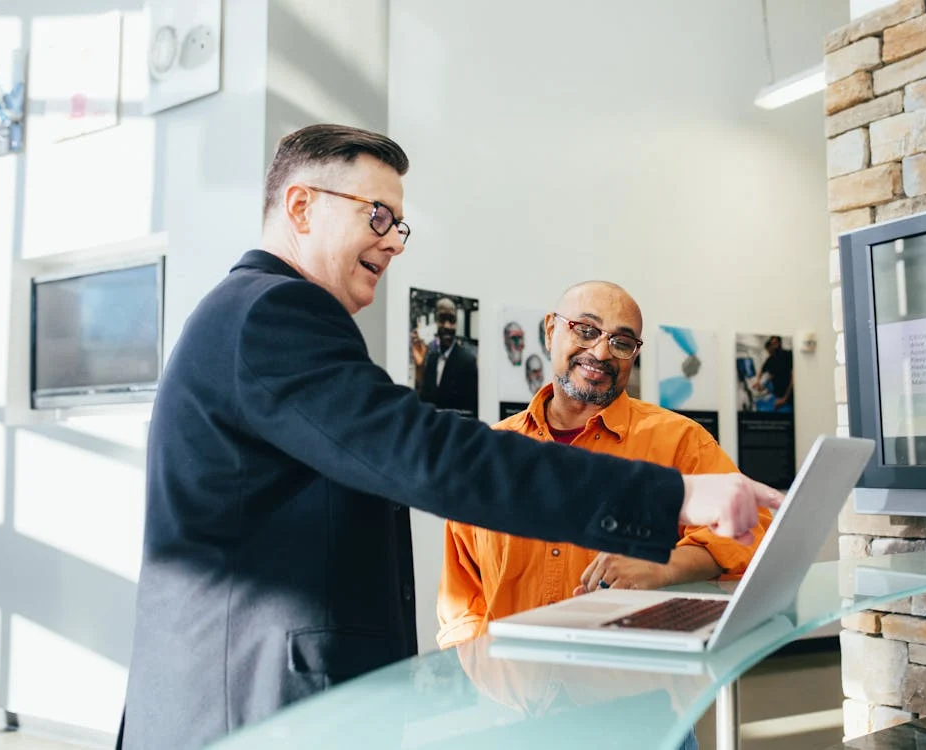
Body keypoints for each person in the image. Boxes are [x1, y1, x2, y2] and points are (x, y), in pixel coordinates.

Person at [118, 124, 782, 750]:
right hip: (251, 705)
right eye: (376, 215)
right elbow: (429, 456)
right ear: (299, 207)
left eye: (399, 224)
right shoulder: (273, 312)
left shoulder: (254, 315)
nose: (394, 242)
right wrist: (674, 497)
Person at [436, 282, 772, 648]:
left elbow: (754, 533)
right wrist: (481, 680)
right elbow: (462, 599)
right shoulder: (491, 454)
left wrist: (664, 564)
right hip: (513, 693)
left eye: (622, 342)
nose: (600, 352)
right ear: (551, 331)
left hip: (631, 689)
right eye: (586, 330)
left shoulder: (680, 441)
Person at [412, 296, 479, 417]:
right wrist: (419, 368)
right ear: (435, 321)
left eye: (452, 320)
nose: (447, 326)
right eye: (442, 319)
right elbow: (423, 402)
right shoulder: (431, 359)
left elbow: (471, 412)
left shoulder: (467, 361)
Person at [754, 335, 793, 412]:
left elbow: (793, 378)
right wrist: (758, 382)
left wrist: (784, 399)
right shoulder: (771, 359)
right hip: (777, 395)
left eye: (775, 343)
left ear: (780, 343)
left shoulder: (788, 355)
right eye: (772, 344)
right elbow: (764, 371)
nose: (774, 346)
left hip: (789, 396)